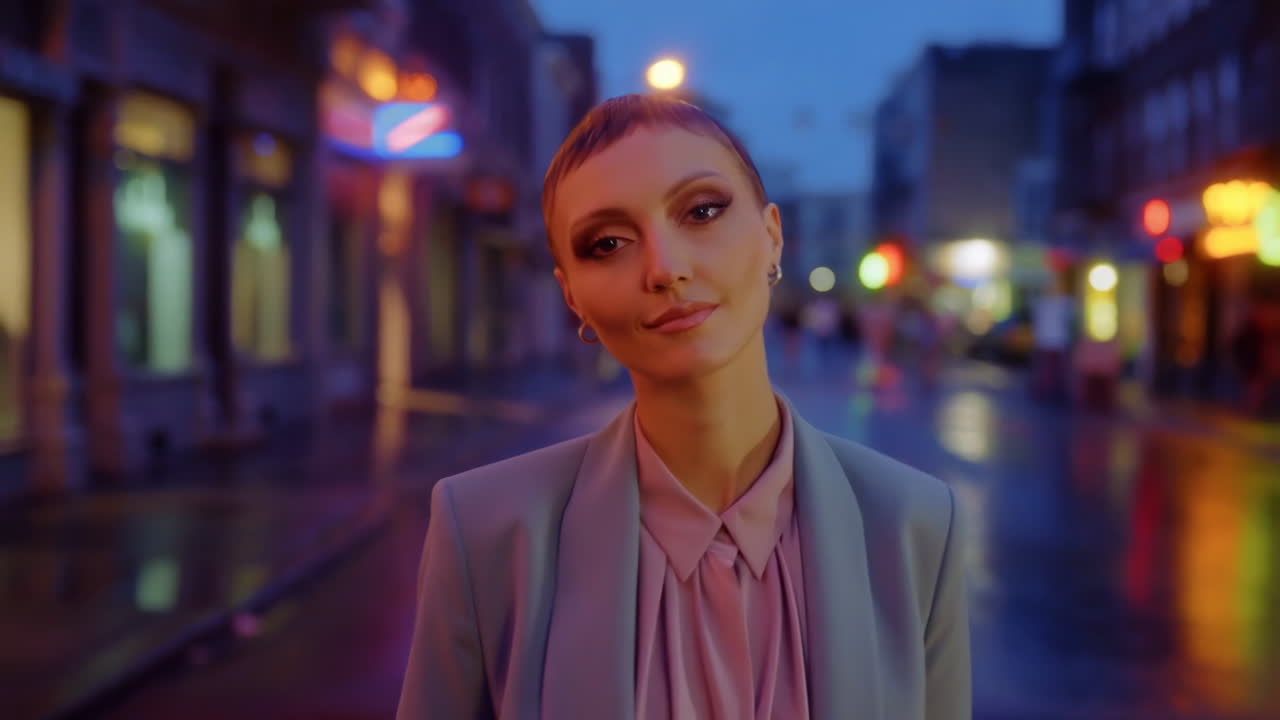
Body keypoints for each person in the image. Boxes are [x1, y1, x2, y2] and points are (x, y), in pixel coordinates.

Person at [396, 94, 971, 720]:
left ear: (772, 237)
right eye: (607, 243)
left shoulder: (914, 525)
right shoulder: (486, 530)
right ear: (572, 297)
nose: (665, 269)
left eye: (701, 212)